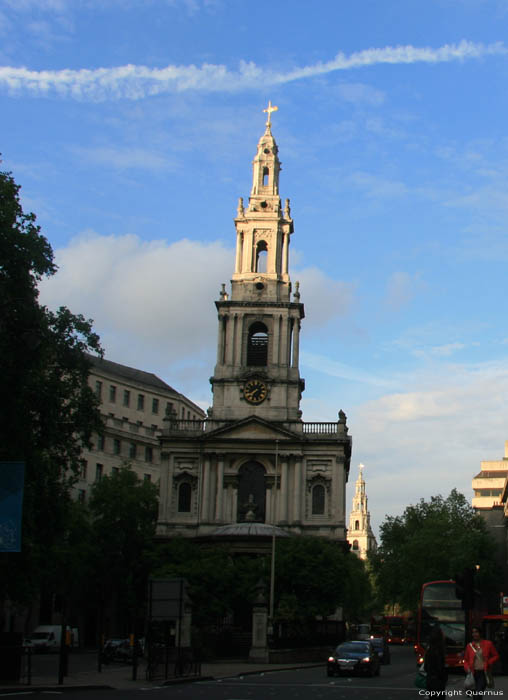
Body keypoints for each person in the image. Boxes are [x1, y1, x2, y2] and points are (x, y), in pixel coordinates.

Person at [463, 626, 500, 692]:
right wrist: (467, 668)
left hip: (483, 673)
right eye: (473, 632)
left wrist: (489, 662)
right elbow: (466, 660)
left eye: (476, 632)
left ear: (480, 633)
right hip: (472, 673)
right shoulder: (469, 646)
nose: (474, 634)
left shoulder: (488, 644)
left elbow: (496, 655)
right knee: (474, 693)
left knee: (478, 692)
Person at [425, 626, 448, 691]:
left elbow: (426, 667)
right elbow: (440, 668)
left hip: (429, 680)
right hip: (438, 682)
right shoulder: (439, 651)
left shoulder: (429, 650)